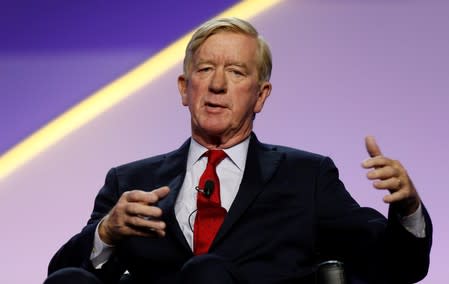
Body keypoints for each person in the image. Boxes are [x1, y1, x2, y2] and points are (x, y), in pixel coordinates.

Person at [46, 17, 432, 284]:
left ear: (260, 95)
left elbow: (396, 266)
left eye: (236, 72)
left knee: (207, 273)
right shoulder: (130, 182)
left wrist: (407, 207)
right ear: (184, 88)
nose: (217, 84)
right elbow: (62, 274)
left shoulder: (305, 177)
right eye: (205, 69)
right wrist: (107, 232)